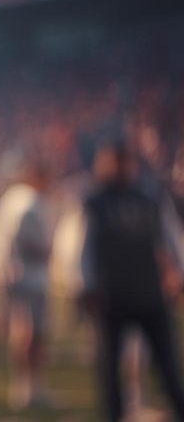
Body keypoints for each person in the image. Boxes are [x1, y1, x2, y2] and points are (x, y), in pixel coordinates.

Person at [80, 139, 184, 422]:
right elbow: (86, 247)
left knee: (167, 364)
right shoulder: (95, 202)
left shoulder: (150, 197)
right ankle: (114, 415)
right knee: (109, 368)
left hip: (149, 291)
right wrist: (88, 285)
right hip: (112, 294)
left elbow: (170, 238)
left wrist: (177, 275)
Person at [0, 156, 55, 410]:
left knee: (21, 332)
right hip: (30, 274)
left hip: (12, 272)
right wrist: (46, 250)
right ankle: (31, 387)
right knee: (33, 333)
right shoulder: (29, 201)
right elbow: (27, 239)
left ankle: (22, 387)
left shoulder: (13, 197)